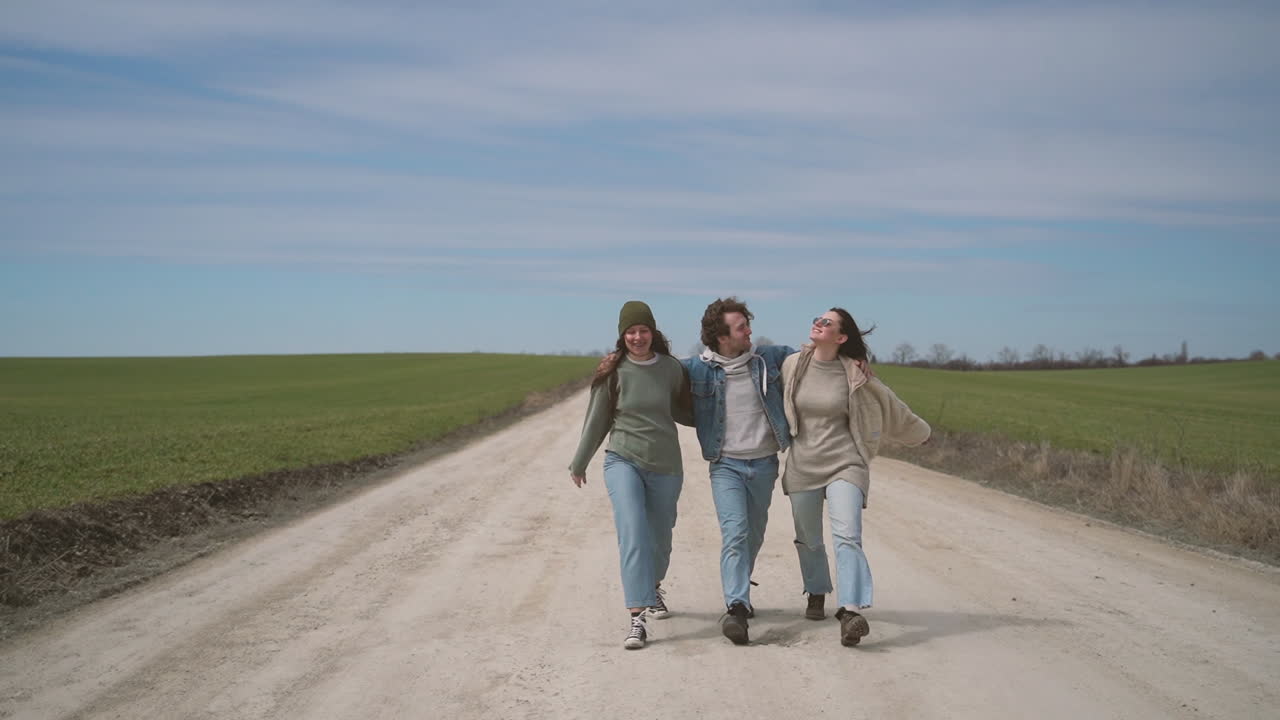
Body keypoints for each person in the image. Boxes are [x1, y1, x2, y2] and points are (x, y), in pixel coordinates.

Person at [780, 308, 931, 647]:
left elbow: (889, 404)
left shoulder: (854, 373)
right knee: (808, 537)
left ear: (841, 337)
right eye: (817, 319)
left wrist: (921, 433)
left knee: (847, 534)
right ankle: (817, 589)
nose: (818, 324)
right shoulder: (792, 365)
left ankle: (850, 611)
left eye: (827, 323)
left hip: (846, 462)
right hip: (803, 463)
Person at [569, 300, 692, 650]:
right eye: (631, 331)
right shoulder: (615, 371)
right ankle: (637, 617)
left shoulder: (671, 369)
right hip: (623, 459)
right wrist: (580, 461)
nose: (637, 337)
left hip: (666, 464)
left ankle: (652, 586)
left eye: (643, 330)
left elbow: (689, 411)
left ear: (653, 332)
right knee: (633, 531)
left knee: (661, 538)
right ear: (622, 336)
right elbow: (597, 420)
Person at [683, 297, 795, 645]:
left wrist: (857, 359)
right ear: (721, 336)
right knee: (735, 532)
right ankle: (737, 607)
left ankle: (739, 592)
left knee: (754, 535)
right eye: (742, 327)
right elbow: (655, 370)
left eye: (748, 324)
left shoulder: (769, 360)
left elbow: (814, 357)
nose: (749, 332)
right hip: (726, 464)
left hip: (763, 463)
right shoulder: (697, 370)